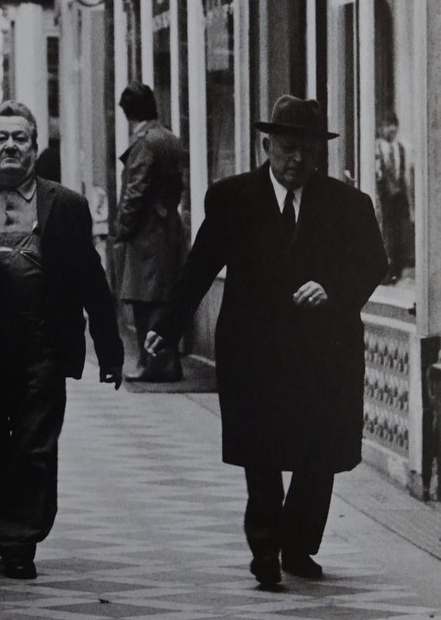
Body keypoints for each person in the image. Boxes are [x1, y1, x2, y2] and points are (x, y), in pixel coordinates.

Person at [146, 95, 387, 588]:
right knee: (260, 452)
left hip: (324, 353)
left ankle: (298, 547)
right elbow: (201, 266)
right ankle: (264, 548)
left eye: (308, 150)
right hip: (254, 351)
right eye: (287, 147)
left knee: (317, 453)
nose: (297, 159)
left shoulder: (348, 205)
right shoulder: (232, 198)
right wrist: (166, 327)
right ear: (266, 145)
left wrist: (334, 290)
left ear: (320, 153)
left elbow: (374, 263)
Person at [0, 100, 123, 580]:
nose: (11, 146)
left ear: (35, 147)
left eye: (21, 138)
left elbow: (92, 280)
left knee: (34, 445)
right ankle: (3, 513)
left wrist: (109, 349)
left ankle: (18, 540)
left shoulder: (65, 205)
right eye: (1, 138)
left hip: (43, 341)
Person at [114, 81, 184, 382]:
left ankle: (153, 364)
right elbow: (177, 185)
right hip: (167, 225)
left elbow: (136, 190)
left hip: (146, 232)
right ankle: (166, 362)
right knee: (162, 298)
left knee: (146, 301)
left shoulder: (144, 142)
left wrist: (123, 228)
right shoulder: (169, 138)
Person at [375, 111, 413, 281]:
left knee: (399, 232)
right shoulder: (377, 147)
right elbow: (377, 173)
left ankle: (398, 268)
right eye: (387, 126)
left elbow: (406, 175)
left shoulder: (402, 148)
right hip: (385, 197)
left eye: (393, 126)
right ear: (381, 128)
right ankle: (386, 270)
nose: (391, 130)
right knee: (386, 233)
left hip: (399, 196)